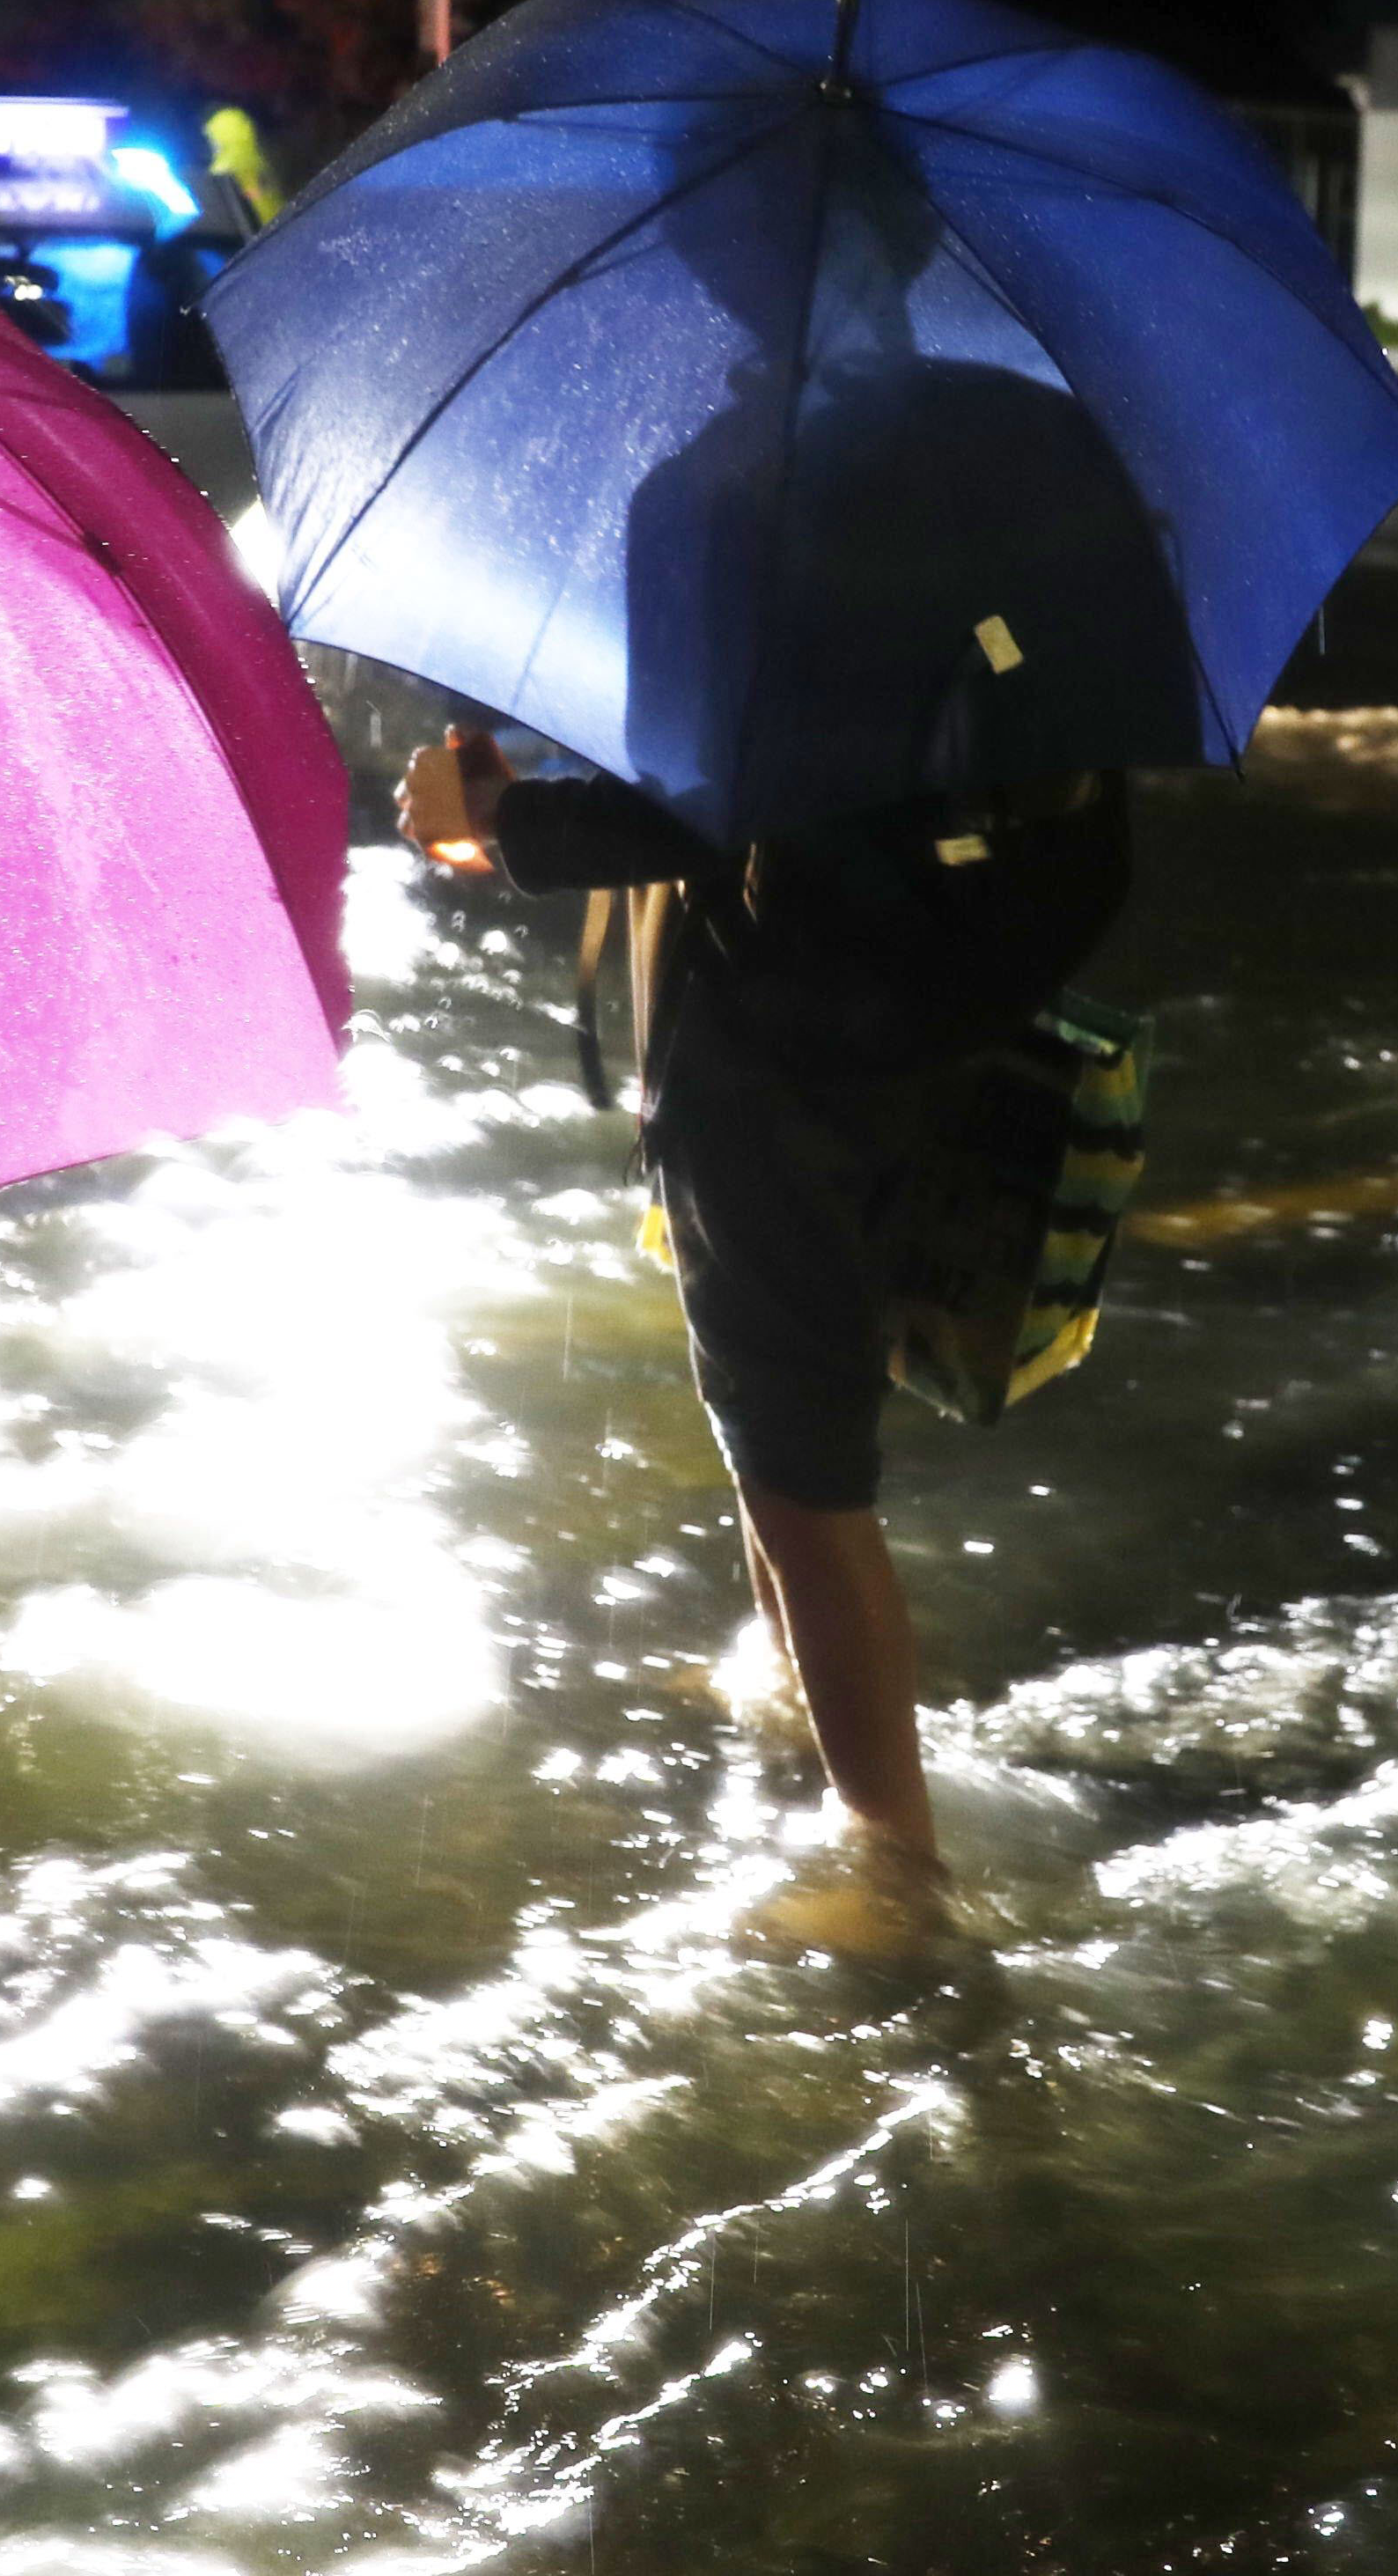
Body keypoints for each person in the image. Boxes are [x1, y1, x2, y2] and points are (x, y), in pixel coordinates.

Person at [400, 730, 1124, 1935]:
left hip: (777, 1078)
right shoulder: (1035, 587)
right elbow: (1071, 852)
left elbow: (738, 791)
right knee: (778, 1444)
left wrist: (508, 828)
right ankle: (799, 1696)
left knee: (804, 1483)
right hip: (902, 1049)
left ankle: (898, 1871)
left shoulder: (793, 558)